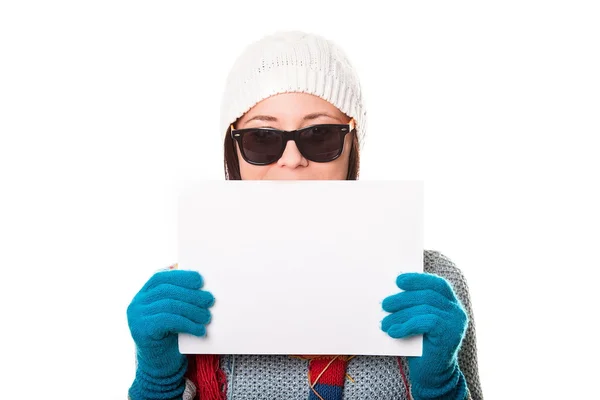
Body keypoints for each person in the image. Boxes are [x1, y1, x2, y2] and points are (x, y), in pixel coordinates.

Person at [126, 31, 483, 400]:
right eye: (262, 138)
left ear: (351, 146)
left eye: (320, 135)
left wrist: (441, 385)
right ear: (235, 152)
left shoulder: (432, 283)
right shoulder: (184, 296)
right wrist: (156, 381)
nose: (292, 158)